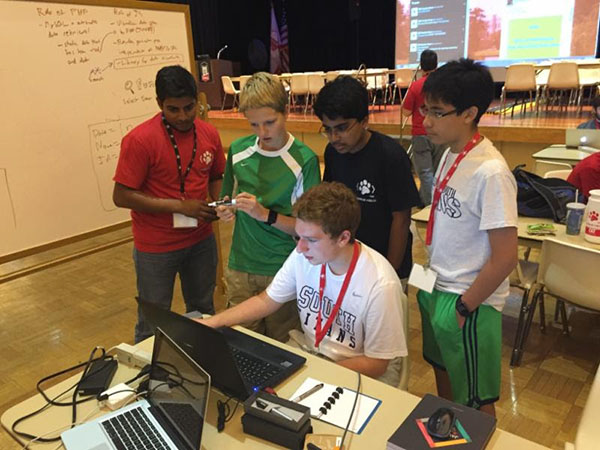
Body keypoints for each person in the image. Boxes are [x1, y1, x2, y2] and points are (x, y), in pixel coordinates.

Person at [201, 182, 407, 385]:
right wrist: (212, 323)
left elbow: (377, 363)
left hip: (359, 368)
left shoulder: (380, 284)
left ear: (343, 238)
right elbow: (267, 301)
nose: (300, 248)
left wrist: (319, 374)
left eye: (311, 240)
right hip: (312, 353)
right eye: (299, 237)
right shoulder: (307, 255)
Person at [417, 58, 518, 416]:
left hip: (468, 299)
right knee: (443, 373)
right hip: (437, 285)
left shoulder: (491, 172)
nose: (426, 120)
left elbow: (505, 257)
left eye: (438, 112)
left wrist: (465, 306)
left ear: (469, 113)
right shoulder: (450, 154)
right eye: (425, 109)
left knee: (476, 398)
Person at [113, 65, 226, 343]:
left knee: (203, 312)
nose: (183, 116)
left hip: (201, 240)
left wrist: (218, 201)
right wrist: (179, 206)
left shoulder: (209, 133)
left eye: (189, 108)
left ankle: (202, 367)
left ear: (197, 101)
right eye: (173, 109)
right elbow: (122, 195)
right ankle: (149, 379)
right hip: (156, 247)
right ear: (159, 104)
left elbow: (216, 176)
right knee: (153, 321)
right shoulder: (139, 140)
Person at [216, 72, 320, 342]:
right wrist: (225, 209)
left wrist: (265, 215)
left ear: (285, 113)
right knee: (242, 344)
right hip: (241, 265)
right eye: (254, 125)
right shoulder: (238, 151)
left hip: (282, 266)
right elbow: (225, 198)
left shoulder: (303, 160)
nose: (263, 133)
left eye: (270, 123)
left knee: (283, 348)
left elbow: (308, 230)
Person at [313, 75, 421, 289]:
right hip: (348, 259)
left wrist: (388, 273)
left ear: (364, 121)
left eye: (342, 128)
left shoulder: (391, 156)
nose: (334, 137)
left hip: (386, 262)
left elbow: (401, 220)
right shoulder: (333, 153)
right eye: (328, 129)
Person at [402, 49, 447, 205]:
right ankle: (425, 201)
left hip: (421, 133)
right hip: (441, 133)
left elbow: (406, 112)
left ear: (421, 65)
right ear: (437, 64)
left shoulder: (415, 86)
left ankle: (430, 206)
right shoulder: (443, 86)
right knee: (437, 172)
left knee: (425, 173)